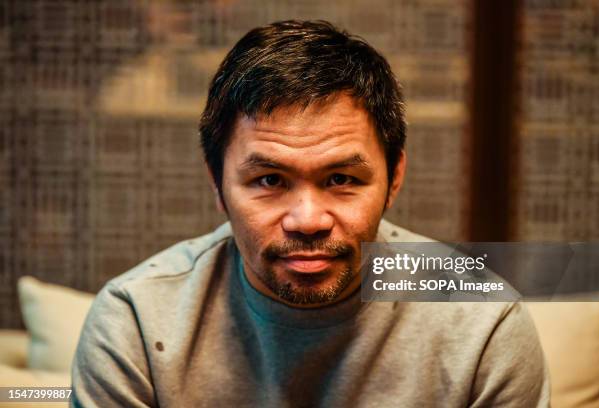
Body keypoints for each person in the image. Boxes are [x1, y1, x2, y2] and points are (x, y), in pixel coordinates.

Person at [71, 20, 549, 407]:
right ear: (217, 183)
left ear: (394, 177)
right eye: (269, 181)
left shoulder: (483, 324)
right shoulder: (136, 322)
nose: (307, 219)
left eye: (341, 180)